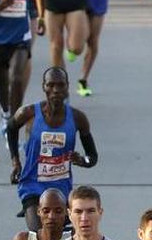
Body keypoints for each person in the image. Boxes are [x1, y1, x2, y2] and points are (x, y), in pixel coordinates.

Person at [8, 67, 97, 231]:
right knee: (39, 235)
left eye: (60, 85)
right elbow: (11, 129)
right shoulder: (28, 113)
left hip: (61, 189)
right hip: (32, 185)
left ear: (67, 87)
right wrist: (16, 162)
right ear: (44, 87)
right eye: (51, 85)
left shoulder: (78, 118)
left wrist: (82, 161)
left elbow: (92, 157)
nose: (56, 90)